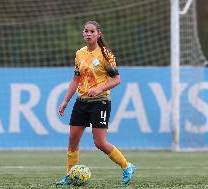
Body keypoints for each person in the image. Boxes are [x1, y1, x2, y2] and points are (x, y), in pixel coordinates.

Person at [56, 20, 136, 186]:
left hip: (100, 102)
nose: (88, 34)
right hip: (81, 101)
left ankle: (127, 166)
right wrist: (65, 101)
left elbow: (116, 79)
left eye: (92, 31)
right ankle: (71, 175)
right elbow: (75, 80)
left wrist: (99, 89)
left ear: (98, 34)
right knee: (72, 141)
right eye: (86, 31)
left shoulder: (105, 54)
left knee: (99, 142)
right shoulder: (80, 54)